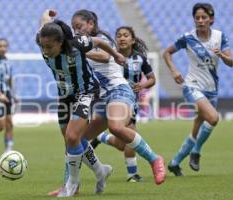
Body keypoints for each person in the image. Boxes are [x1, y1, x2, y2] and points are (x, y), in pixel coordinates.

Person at [37, 10, 126, 197]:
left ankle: (72, 184)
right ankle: (101, 171)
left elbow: (100, 42)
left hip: (86, 92)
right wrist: (46, 14)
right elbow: (45, 23)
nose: (45, 51)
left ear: (61, 43)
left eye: (49, 47)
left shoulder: (77, 44)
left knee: (72, 136)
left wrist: (116, 55)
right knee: (72, 140)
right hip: (65, 96)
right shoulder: (44, 39)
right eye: (43, 47)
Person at [71, 9, 166, 185]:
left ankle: (154, 159)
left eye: (79, 26)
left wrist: (81, 52)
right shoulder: (79, 44)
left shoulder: (101, 38)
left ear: (91, 24)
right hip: (101, 99)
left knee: (116, 127)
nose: (76, 31)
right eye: (73, 28)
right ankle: (72, 184)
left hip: (119, 91)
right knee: (75, 140)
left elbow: (105, 56)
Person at [163, 3, 233, 176]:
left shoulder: (220, 36)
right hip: (192, 86)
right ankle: (196, 152)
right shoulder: (188, 38)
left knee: (197, 128)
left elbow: (230, 62)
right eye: (197, 18)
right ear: (194, 19)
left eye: (204, 17)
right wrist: (174, 70)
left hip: (212, 89)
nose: (200, 21)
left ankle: (175, 162)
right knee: (214, 118)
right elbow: (167, 53)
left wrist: (222, 55)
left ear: (211, 19)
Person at [91, 25, 157, 183]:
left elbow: (152, 78)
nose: (122, 38)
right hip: (111, 99)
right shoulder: (108, 55)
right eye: (119, 35)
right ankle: (132, 174)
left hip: (130, 101)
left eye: (126, 35)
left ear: (133, 40)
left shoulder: (140, 58)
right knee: (130, 135)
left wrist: (142, 85)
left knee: (122, 143)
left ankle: (100, 137)